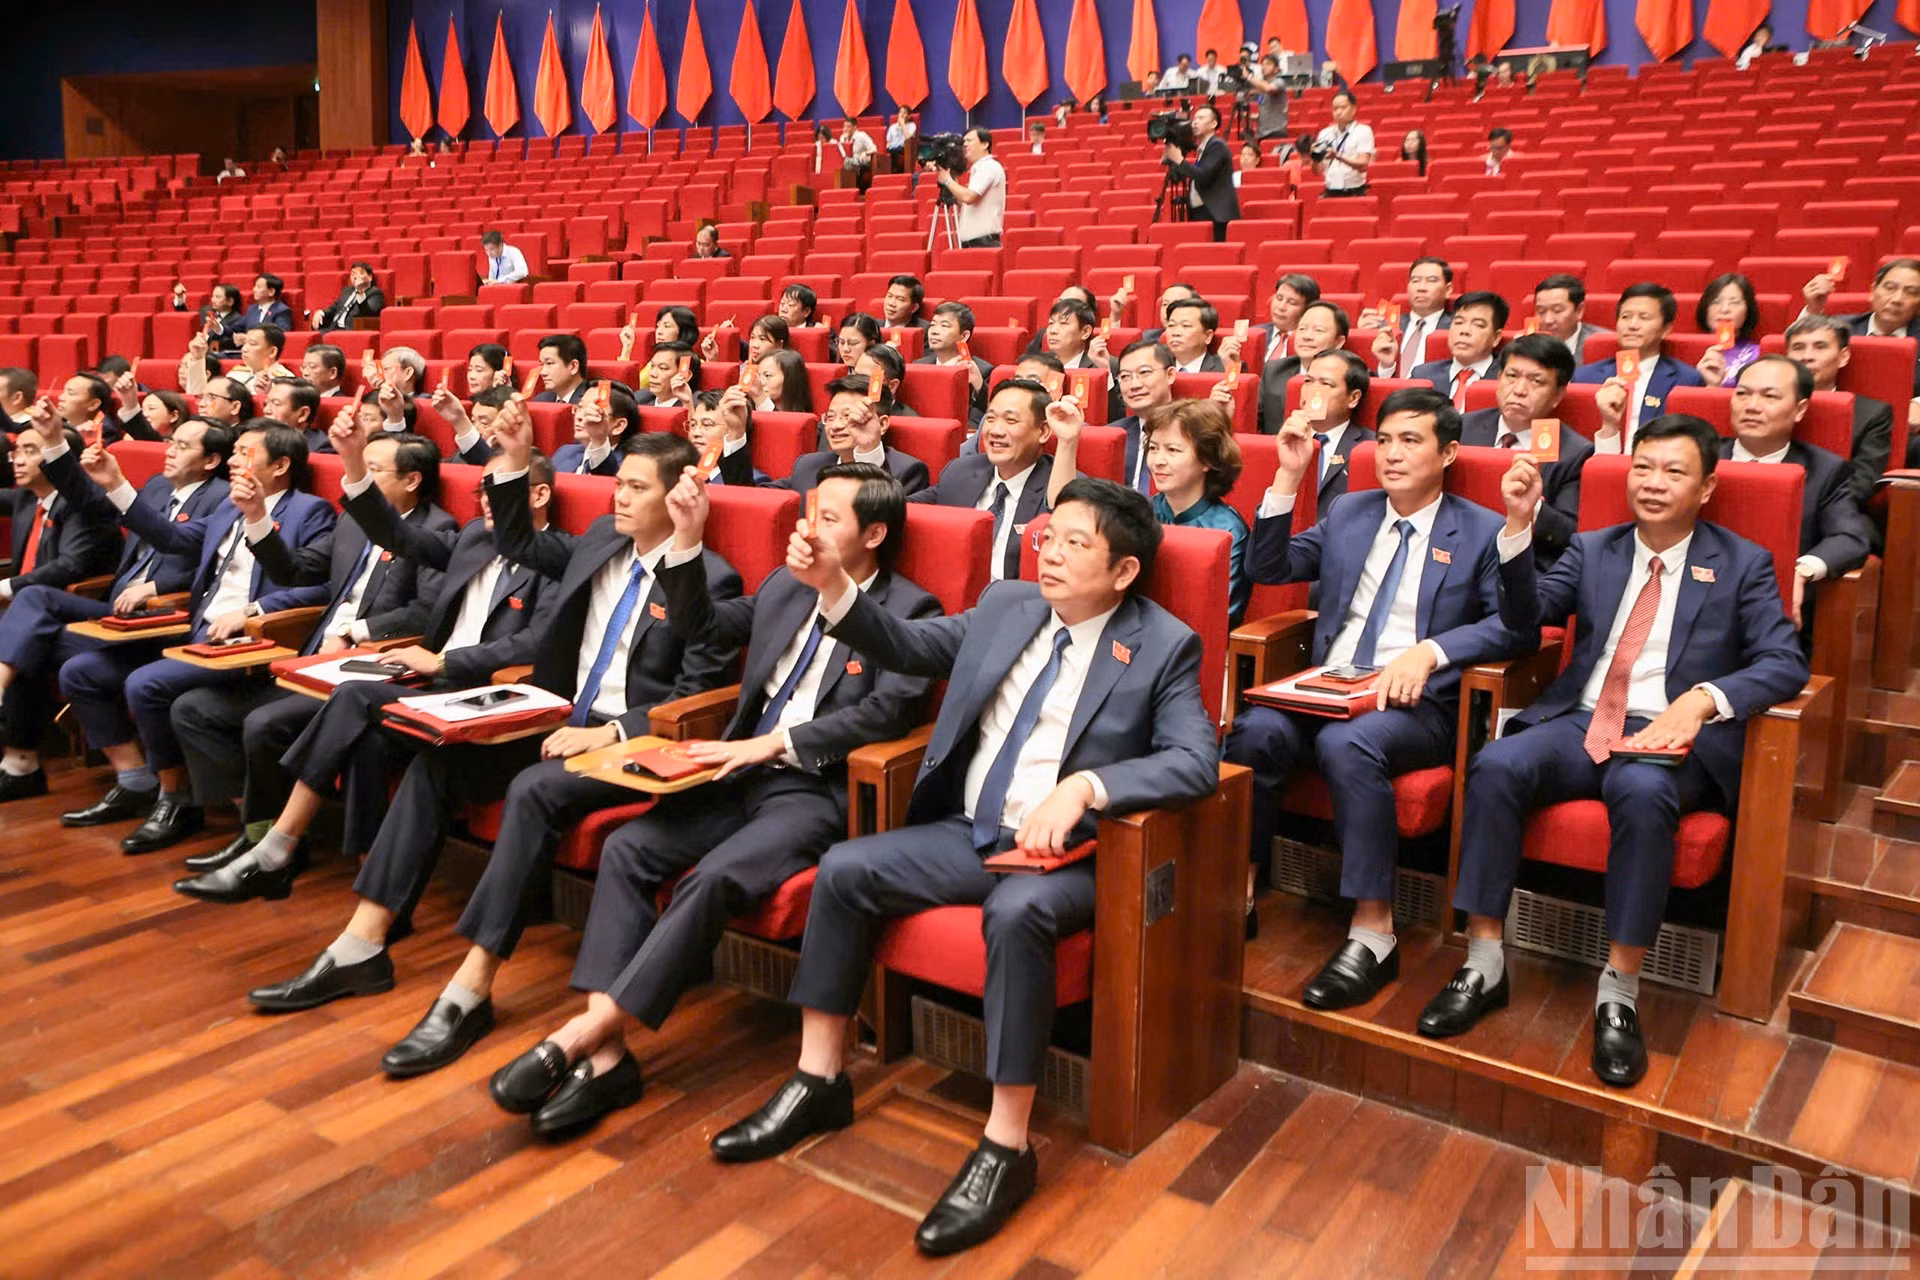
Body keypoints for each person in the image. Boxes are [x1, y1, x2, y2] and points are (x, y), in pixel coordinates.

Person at [709, 477, 1219, 1257]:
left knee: (1014, 916)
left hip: (1069, 855)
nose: (1051, 553)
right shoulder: (1010, 604)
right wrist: (835, 588)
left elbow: (1195, 763)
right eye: (1052, 535)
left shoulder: (1162, 643)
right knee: (845, 869)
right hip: (970, 831)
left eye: (1078, 544)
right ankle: (819, 1080)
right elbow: (909, 646)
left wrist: (1088, 786)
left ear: (1122, 573)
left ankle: (1006, 1145)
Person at [242, 411, 745, 1057]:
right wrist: (512, 462)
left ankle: (469, 989)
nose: (619, 495)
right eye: (619, 481)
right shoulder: (599, 539)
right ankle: (362, 943)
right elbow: (520, 543)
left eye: (638, 487)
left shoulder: (710, 580)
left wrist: (615, 731)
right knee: (434, 761)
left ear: (681, 496)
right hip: (551, 712)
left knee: (534, 790)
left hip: (624, 745)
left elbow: (697, 697)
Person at [487, 463, 941, 1132]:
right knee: (630, 847)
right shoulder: (786, 585)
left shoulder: (912, 609)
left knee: (714, 877)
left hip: (812, 788)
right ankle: (609, 1059)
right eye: (808, 515)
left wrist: (774, 745)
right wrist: (689, 538)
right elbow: (702, 626)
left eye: (831, 519)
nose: (808, 531)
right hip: (731, 768)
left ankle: (584, 1035)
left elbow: (884, 716)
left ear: (874, 533)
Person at [1428, 416, 1808, 1087]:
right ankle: (1483, 961)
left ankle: (1619, 991)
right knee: (1496, 765)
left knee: (1642, 790)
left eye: (1673, 472)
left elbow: (1784, 662)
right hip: (1582, 719)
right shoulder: (1594, 547)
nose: (1654, 484)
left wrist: (1700, 701)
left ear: (1707, 486)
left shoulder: (1741, 562)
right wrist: (1517, 530)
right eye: (1644, 468)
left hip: (1671, 733)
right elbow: (1524, 624)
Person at [1227, 386, 1535, 971]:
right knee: (1255, 732)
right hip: (1328, 685)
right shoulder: (1350, 511)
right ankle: (1239, 891)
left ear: (1447, 453)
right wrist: (1288, 479)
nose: (1391, 454)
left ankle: (1374, 929)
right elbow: (1271, 568)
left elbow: (1518, 629)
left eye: (1411, 441)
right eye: (1385, 440)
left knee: (1349, 743)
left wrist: (1433, 650)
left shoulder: (1481, 528)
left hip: (1417, 704)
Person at [172, 440, 558, 891]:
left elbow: (535, 641)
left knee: (351, 699)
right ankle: (365, 871)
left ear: (538, 495)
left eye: (502, 488)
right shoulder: (473, 537)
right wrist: (354, 467)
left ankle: (278, 843)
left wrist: (443, 660)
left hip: (476, 688)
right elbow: (398, 536)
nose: (489, 499)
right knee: (368, 741)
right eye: (483, 490)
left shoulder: (558, 555)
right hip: (423, 677)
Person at [168, 431, 455, 881]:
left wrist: (353, 630)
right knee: (194, 708)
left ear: (412, 479)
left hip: (367, 668)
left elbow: (425, 612)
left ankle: (273, 846)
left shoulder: (437, 530)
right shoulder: (352, 520)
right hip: (312, 661)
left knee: (264, 724)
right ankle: (256, 829)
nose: (355, 478)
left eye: (372, 470)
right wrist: (258, 517)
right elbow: (294, 571)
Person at [51, 421, 336, 851]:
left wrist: (252, 611)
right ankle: (135, 780)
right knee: (82, 670)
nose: (236, 461)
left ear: (280, 465)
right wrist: (117, 484)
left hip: (251, 642)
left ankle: (176, 800)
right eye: (235, 451)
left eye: (246, 453)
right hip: (196, 634)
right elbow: (171, 538)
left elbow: (317, 586)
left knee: (146, 684)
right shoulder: (225, 508)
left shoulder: (309, 511)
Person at [1723, 357, 1873, 632]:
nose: (1752, 406)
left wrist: (1798, 571)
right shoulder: (1699, 459)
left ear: (1800, 409)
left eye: (1770, 396)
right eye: (1742, 394)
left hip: (1776, 614)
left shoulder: (1825, 470)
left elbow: (1849, 538)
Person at [908, 378, 1077, 581]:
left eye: (1011, 420)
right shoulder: (961, 472)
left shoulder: (1059, 482)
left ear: (1042, 432)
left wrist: (1067, 442)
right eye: (990, 418)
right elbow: (904, 507)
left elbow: (1063, 521)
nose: (995, 431)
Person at [1459, 333, 1592, 566]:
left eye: (1536, 381)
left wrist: (1533, 506)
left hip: (1523, 563)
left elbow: (1571, 534)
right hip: (1457, 552)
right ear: (1498, 378)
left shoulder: (1575, 452)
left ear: (1558, 394)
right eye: (1511, 376)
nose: (1519, 390)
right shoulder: (1462, 428)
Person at [1142, 400, 1250, 625]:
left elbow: (1223, 614)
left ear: (1207, 460)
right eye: (1153, 448)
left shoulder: (1228, 529)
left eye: (1173, 450)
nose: (1158, 461)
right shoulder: (1139, 514)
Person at [0, 419, 123, 609]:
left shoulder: (85, 507)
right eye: (17, 451)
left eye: (30, 451)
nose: (18, 460)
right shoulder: (28, 496)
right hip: (22, 602)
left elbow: (68, 565)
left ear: (62, 461)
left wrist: (8, 586)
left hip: (64, 607)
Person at [1574, 283, 1707, 449]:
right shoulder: (1584, 377)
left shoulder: (1687, 379)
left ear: (1666, 329)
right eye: (1626, 317)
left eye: (1644, 317)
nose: (1632, 325)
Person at [1785, 316, 1893, 501]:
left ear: (1843, 357)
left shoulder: (1871, 413)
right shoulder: (1765, 403)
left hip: (1833, 509)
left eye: (1820, 347)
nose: (1807, 357)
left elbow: (1862, 483)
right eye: (1798, 347)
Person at [762, 376, 930, 495]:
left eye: (848, 416)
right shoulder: (809, 465)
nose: (835, 426)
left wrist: (867, 449)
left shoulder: (908, 472)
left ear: (882, 424)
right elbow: (754, 498)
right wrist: (736, 436)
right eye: (831, 416)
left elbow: (881, 523)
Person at [1800, 256, 1920, 400]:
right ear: (1873, 291)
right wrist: (1813, 310)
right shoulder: (1839, 328)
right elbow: (1799, 359)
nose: (1897, 299)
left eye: (1911, 292)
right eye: (1890, 288)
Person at [1292, 350, 1374, 507]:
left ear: (1353, 398)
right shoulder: (1282, 440)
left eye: (1326, 384)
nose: (1313, 391)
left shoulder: (1370, 448)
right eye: (1308, 381)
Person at [1259, 300, 1350, 433]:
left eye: (1318, 330)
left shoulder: (1349, 373)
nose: (1307, 336)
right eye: (1302, 329)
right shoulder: (1274, 370)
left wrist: (1386, 366)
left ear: (1339, 342)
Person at [1409, 291, 1508, 409]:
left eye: (1478, 325)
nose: (1464, 331)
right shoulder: (1423, 375)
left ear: (1496, 338)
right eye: (1459, 322)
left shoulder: (1506, 379)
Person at [1367, 257, 1455, 377]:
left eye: (1431, 280)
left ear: (1448, 290)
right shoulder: (1385, 326)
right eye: (1415, 281)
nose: (1421, 288)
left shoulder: (1456, 328)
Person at [1111, 340, 1180, 493]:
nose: (1134, 385)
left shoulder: (1191, 431)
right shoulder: (1114, 435)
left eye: (1144, 373)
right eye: (1125, 376)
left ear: (1170, 375)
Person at [1164, 104, 1238, 243]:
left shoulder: (1217, 146)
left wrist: (1178, 159)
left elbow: (1203, 176)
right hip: (1201, 212)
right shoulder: (1202, 148)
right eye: (1195, 118)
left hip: (1215, 214)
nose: (1195, 122)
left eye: (1201, 118)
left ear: (1214, 124)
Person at [915, 301, 993, 422]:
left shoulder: (982, 371)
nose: (934, 331)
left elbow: (988, 413)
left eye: (944, 326)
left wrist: (979, 385)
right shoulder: (919, 366)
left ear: (964, 336)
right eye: (932, 325)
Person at [928, 128, 1005, 249]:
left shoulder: (988, 167)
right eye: (964, 141)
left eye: (969, 140)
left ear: (985, 144)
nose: (965, 144)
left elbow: (969, 197)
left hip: (983, 244)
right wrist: (951, 180)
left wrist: (947, 180)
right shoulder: (979, 169)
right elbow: (964, 202)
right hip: (973, 244)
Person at [552, 383, 641, 476]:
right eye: (580, 407)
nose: (579, 416)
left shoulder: (630, 465)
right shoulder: (565, 452)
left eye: (593, 412)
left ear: (618, 426)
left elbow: (606, 483)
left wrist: (598, 440)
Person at [1695, 273, 1763, 388]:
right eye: (1716, 302)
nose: (1724, 309)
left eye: (1734, 302)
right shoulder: (1684, 349)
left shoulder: (1759, 354)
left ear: (1748, 310)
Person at [1533, 273, 1609, 363]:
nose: (1548, 320)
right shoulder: (1527, 343)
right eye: (1541, 311)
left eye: (1557, 310)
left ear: (1579, 311)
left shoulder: (1603, 344)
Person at [1314, 91, 1375, 197]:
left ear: (1353, 109)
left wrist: (1338, 156)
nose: (1338, 112)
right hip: (1330, 191)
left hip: (1354, 191)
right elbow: (1317, 171)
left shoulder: (1363, 131)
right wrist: (1314, 158)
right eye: (1335, 108)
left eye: (1343, 107)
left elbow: (1363, 165)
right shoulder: (1324, 134)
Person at [1256, 273, 1321, 368]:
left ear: (1307, 309)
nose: (1281, 307)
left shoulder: (1310, 341)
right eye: (1279, 298)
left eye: (1292, 303)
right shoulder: (1255, 334)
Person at [1163, 298, 1225, 373]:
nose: (1176, 333)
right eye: (1171, 325)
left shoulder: (1224, 368)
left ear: (1208, 336)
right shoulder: (1157, 368)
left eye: (1186, 325)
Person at [532, 333, 591, 405]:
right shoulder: (541, 400)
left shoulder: (591, 401)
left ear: (573, 367)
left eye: (549, 363)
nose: (543, 373)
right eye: (541, 364)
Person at [1043, 298, 1100, 369]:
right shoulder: (1038, 364)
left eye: (1063, 323)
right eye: (1051, 323)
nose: (1053, 331)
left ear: (1085, 332)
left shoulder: (1101, 365)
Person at [1246, 54, 1291, 143]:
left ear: (1276, 69)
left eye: (1268, 64)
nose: (1264, 67)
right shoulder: (1261, 87)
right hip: (1261, 133)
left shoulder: (1279, 81)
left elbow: (1269, 89)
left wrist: (1249, 76)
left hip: (1276, 132)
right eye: (1263, 64)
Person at [837, 116, 877, 184]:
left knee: (850, 164)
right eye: (844, 126)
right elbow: (843, 154)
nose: (845, 129)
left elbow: (874, 148)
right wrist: (845, 141)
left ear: (855, 127)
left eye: (848, 127)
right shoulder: (842, 138)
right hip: (849, 163)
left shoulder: (862, 135)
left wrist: (866, 153)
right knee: (845, 164)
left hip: (861, 163)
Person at [885, 106, 917, 172]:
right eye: (900, 112)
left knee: (896, 151)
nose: (902, 115)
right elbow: (888, 142)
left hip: (904, 149)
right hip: (892, 149)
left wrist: (902, 124)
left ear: (909, 116)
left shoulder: (912, 125)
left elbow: (908, 139)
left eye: (904, 113)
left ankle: (895, 171)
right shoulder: (892, 127)